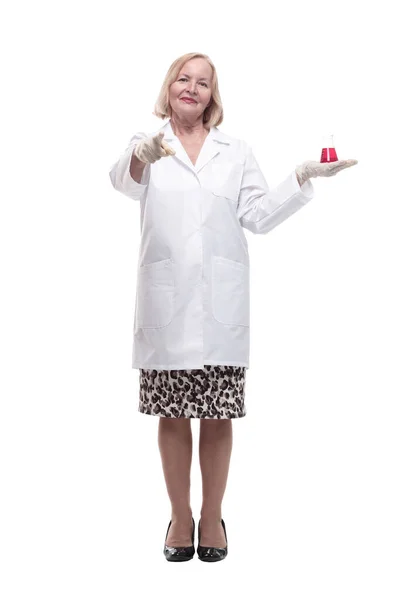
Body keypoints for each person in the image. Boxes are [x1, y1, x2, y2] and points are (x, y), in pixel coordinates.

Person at [109, 52, 358, 562]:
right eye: (184, 78)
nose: (193, 87)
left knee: (218, 414)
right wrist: (144, 151)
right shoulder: (150, 143)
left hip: (220, 308)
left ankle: (213, 516)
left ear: (212, 96)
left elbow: (259, 216)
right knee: (175, 414)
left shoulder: (236, 150)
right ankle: (180, 517)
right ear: (169, 86)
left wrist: (301, 175)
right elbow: (123, 181)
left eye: (204, 82)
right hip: (167, 305)